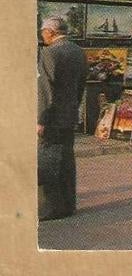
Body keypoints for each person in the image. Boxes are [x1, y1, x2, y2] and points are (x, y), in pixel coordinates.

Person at [37, 17, 88, 221]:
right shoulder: (78, 52)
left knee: (48, 160)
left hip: (52, 118)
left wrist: (41, 120)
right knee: (66, 160)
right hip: (69, 115)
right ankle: (68, 205)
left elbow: (45, 91)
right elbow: (81, 86)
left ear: (50, 32)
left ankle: (51, 208)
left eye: (43, 32)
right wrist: (73, 107)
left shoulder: (49, 53)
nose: (42, 35)